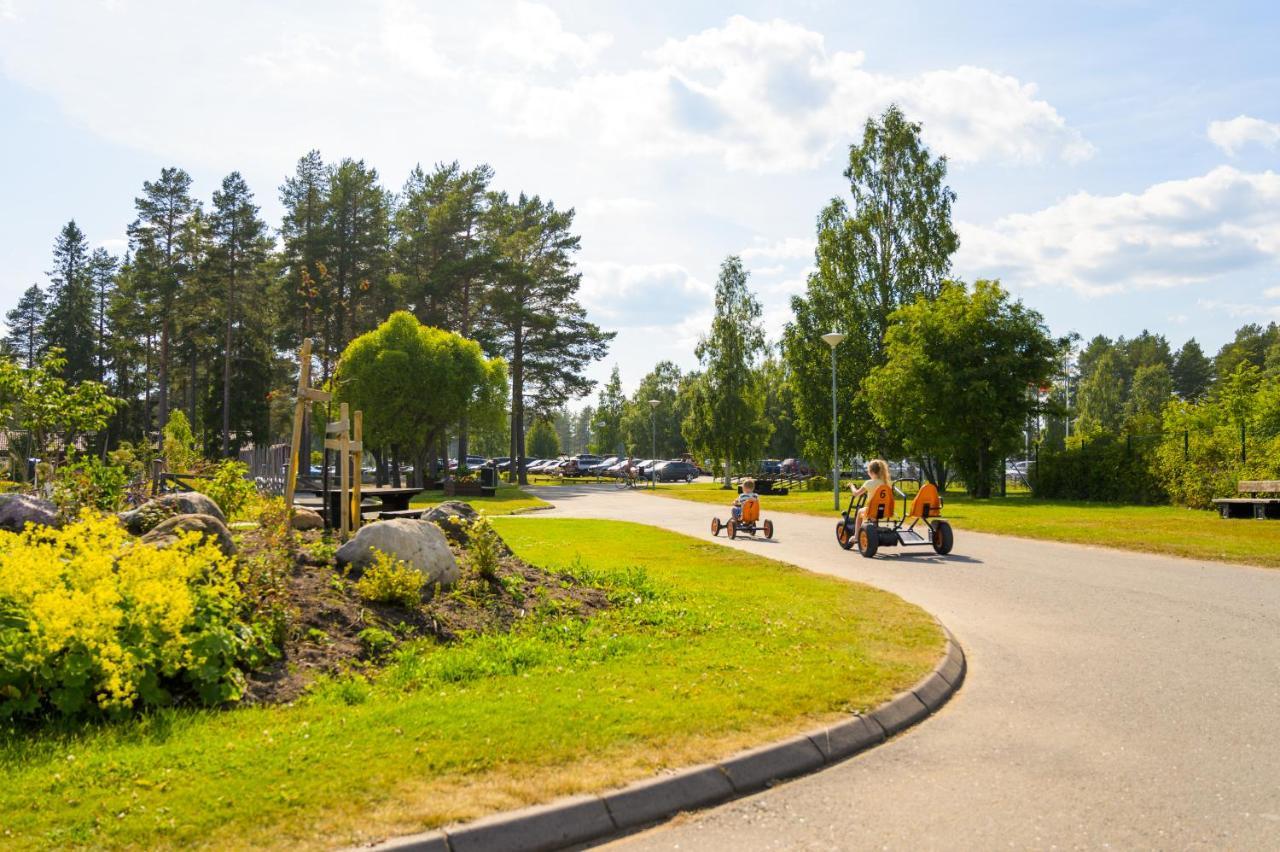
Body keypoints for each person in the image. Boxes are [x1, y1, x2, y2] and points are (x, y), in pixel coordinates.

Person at [849, 459, 893, 544]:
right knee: (874, 512)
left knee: (859, 512)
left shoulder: (869, 483)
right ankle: (874, 529)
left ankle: (856, 536)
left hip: (872, 510)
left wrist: (851, 486)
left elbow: (856, 493)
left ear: (871, 472)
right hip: (885, 510)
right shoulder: (885, 483)